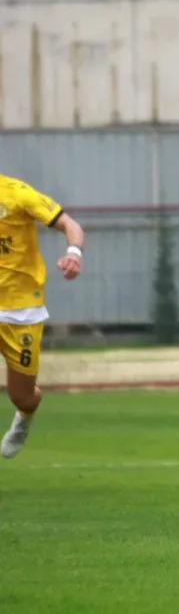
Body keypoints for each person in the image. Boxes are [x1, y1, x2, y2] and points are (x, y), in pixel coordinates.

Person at [0, 175, 85, 459]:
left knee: (23, 397)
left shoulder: (17, 193)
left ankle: (24, 417)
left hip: (21, 309)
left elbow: (71, 225)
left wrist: (74, 253)